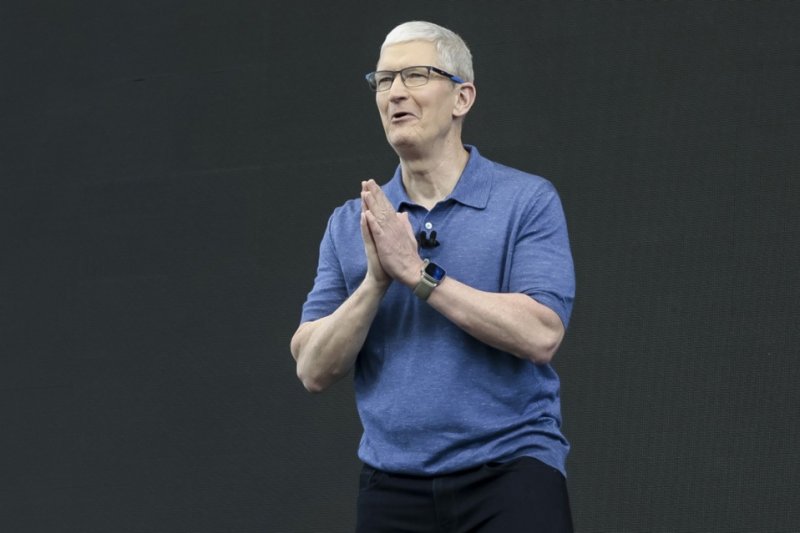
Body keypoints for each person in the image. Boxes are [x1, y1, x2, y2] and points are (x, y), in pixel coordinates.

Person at [291, 20, 575, 532]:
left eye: (416, 75)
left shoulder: (525, 201)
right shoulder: (350, 222)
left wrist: (419, 274)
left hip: (510, 472)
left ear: (462, 97)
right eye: (383, 80)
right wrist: (377, 281)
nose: (395, 92)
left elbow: (541, 333)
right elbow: (312, 368)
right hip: (391, 483)